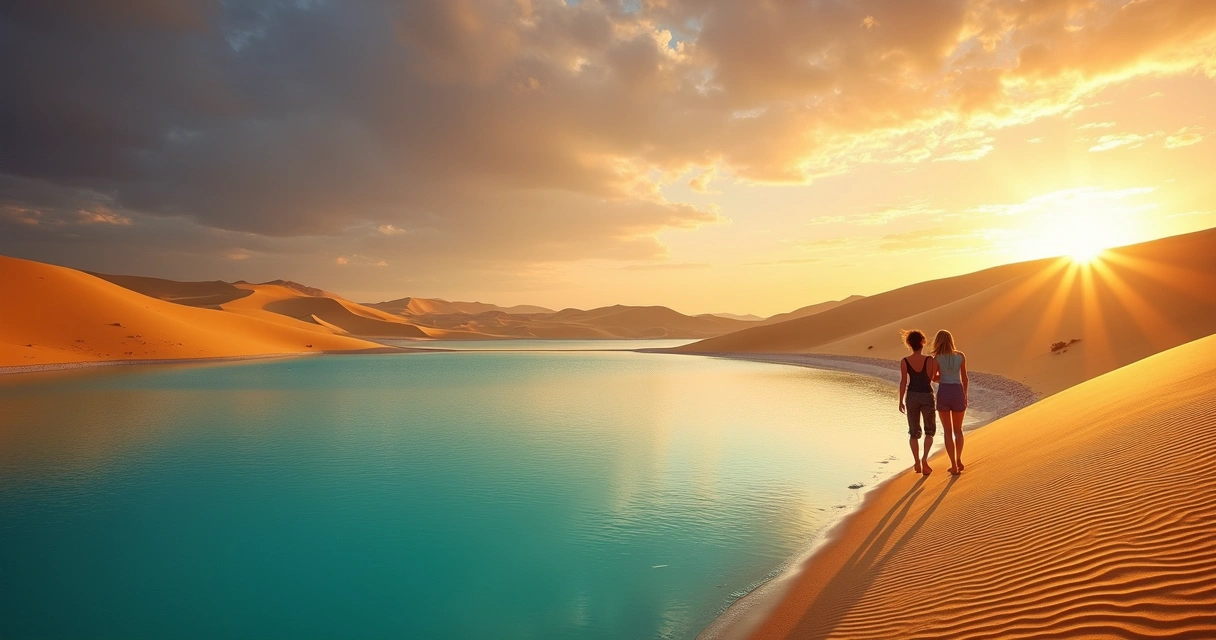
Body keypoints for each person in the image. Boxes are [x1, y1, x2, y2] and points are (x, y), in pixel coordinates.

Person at [898, 329, 938, 475]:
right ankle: (925, 459)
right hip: (927, 395)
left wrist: (900, 401)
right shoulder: (930, 360)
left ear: (909, 344)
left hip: (912, 397)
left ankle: (916, 461)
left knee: (913, 433)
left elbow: (903, 382)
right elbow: (932, 378)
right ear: (923, 342)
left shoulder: (905, 361)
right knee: (929, 431)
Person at [932, 329, 968, 475]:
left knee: (948, 431)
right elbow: (965, 378)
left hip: (944, 393)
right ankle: (959, 459)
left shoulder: (937, 358)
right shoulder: (960, 356)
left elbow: (933, 377)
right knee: (958, 430)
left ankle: (953, 464)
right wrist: (964, 395)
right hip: (958, 391)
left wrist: (943, 377)